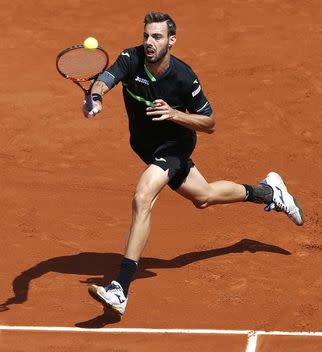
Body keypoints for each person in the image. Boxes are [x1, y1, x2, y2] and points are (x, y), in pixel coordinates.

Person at [82, 11, 304, 316]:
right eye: (147, 35)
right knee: (205, 196)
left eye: (157, 37)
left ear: (171, 41)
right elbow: (105, 79)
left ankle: (120, 288)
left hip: (174, 146)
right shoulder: (129, 58)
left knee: (143, 195)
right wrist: (95, 98)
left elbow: (209, 122)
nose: (149, 42)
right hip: (146, 147)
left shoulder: (184, 77)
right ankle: (270, 192)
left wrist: (175, 114)